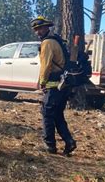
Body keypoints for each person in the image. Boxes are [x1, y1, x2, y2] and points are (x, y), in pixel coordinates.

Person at [31, 16, 77, 156]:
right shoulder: (56, 40)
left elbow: (46, 65)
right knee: (57, 115)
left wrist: (42, 81)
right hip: (63, 85)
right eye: (36, 30)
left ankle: (49, 145)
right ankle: (69, 142)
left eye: (40, 29)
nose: (38, 32)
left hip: (54, 84)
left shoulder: (47, 43)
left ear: (47, 27)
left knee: (47, 113)